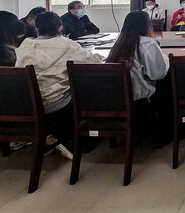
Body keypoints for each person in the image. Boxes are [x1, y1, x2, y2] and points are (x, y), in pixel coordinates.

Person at [16, 12, 103, 158]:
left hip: (25, 103)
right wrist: (101, 57)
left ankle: (50, 135)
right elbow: (91, 62)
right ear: (60, 28)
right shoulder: (67, 45)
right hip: (53, 102)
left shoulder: (25, 45)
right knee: (85, 91)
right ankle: (76, 138)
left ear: (36, 28)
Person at [107, 11, 169, 102]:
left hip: (117, 99)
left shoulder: (119, 43)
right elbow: (158, 74)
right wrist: (166, 58)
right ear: (147, 26)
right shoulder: (148, 43)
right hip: (139, 101)